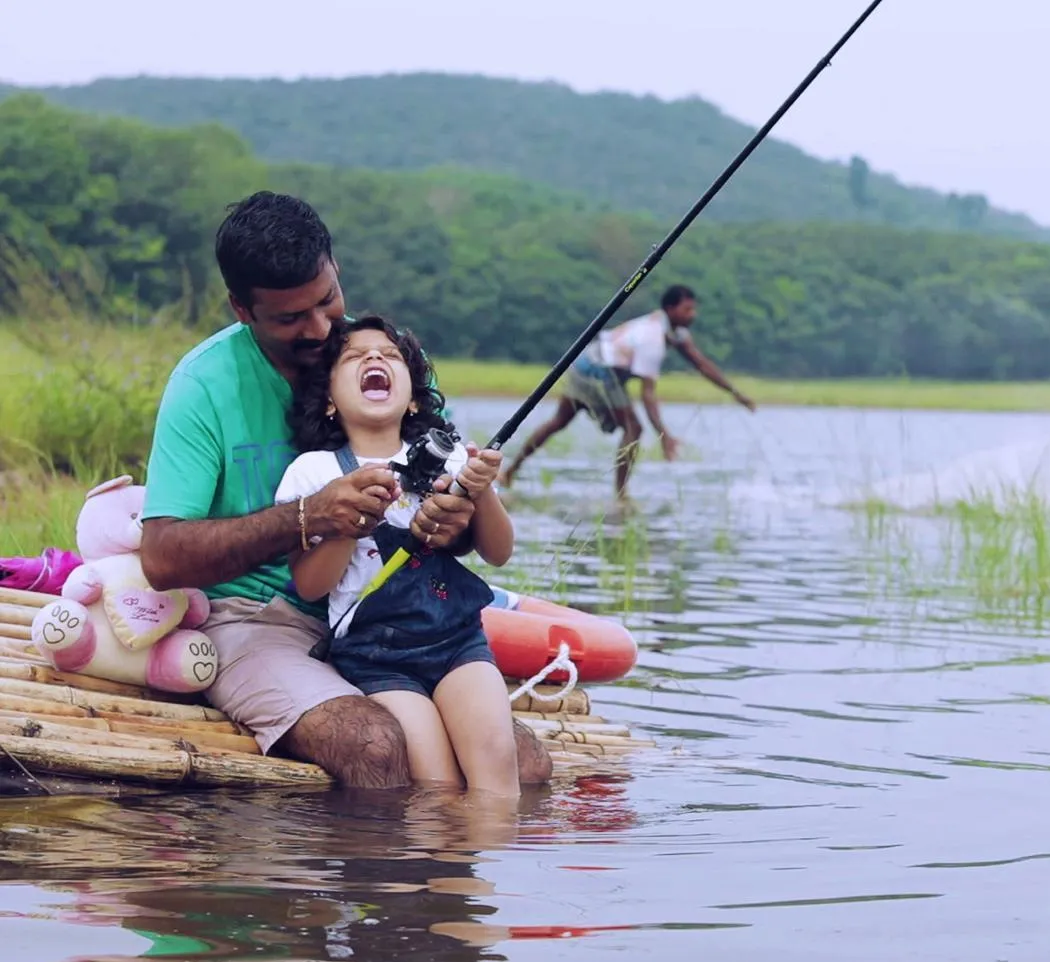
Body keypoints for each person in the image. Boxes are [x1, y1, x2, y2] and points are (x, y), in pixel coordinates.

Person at [137, 190, 552, 789]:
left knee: (527, 765)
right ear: (241, 309)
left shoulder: (388, 359)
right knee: (377, 747)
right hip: (259, 621)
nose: (322, 328)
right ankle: (379, 880)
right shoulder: (203, 384)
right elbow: (161, 557)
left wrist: (453, 518)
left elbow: (463, 536)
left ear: (335, 271)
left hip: (392, 618)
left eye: (328, 300)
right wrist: (310, 517)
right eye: (290, 318)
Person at [276, 314, 523, 796]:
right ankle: (426, 863)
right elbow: (310, 585)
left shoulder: (448, 459)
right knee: (435, 783)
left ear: (412, 398)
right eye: (354, 356)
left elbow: (499, 553)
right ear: (328, 400)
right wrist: (353, 519)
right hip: (377, 657)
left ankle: (470, 871)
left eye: (390, 355)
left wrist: (481, 488)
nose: (374, 358)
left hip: (457, 641)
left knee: (496, 760)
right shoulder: (313, 472)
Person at [499, 284, 756, 503]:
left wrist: (735, 393)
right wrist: (664, 436)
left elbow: (701, 363)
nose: (693, 314)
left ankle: (510, 472)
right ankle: (620, 496)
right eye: (687, 309)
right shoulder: (652, 339)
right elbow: (648, 396)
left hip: (584, 363)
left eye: (693, 308)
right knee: (633, 428)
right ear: (670, 309)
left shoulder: (673, 330)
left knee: (559, 422)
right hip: (597, 373)